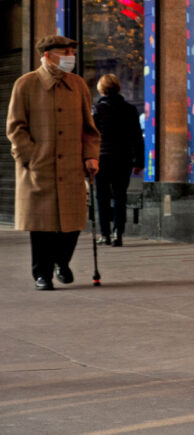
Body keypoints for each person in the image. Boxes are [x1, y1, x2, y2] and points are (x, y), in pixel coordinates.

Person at [6, 35, 100, 290]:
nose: (70, 56)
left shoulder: (78, 84)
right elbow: (16, 127)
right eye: (65, 52)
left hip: (71, 166)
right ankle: (42, 274)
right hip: (39, 167)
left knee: (72, 223)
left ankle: (62, 261)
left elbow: (89, 129)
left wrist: (91, 155)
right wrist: (30, 157)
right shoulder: (25, 84)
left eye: (72, 52)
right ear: (47, 55)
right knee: (42, 226)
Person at [91, 73, 144, 247]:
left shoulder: (97, 110)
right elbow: (137, 136)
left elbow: (90, 137)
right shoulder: (129, 109)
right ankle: (118, 233)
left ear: (101, 89)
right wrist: (139, 161)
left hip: (102, 158)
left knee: (102, 197)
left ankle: (105, 233)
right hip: (123, 158)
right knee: (120, 196)